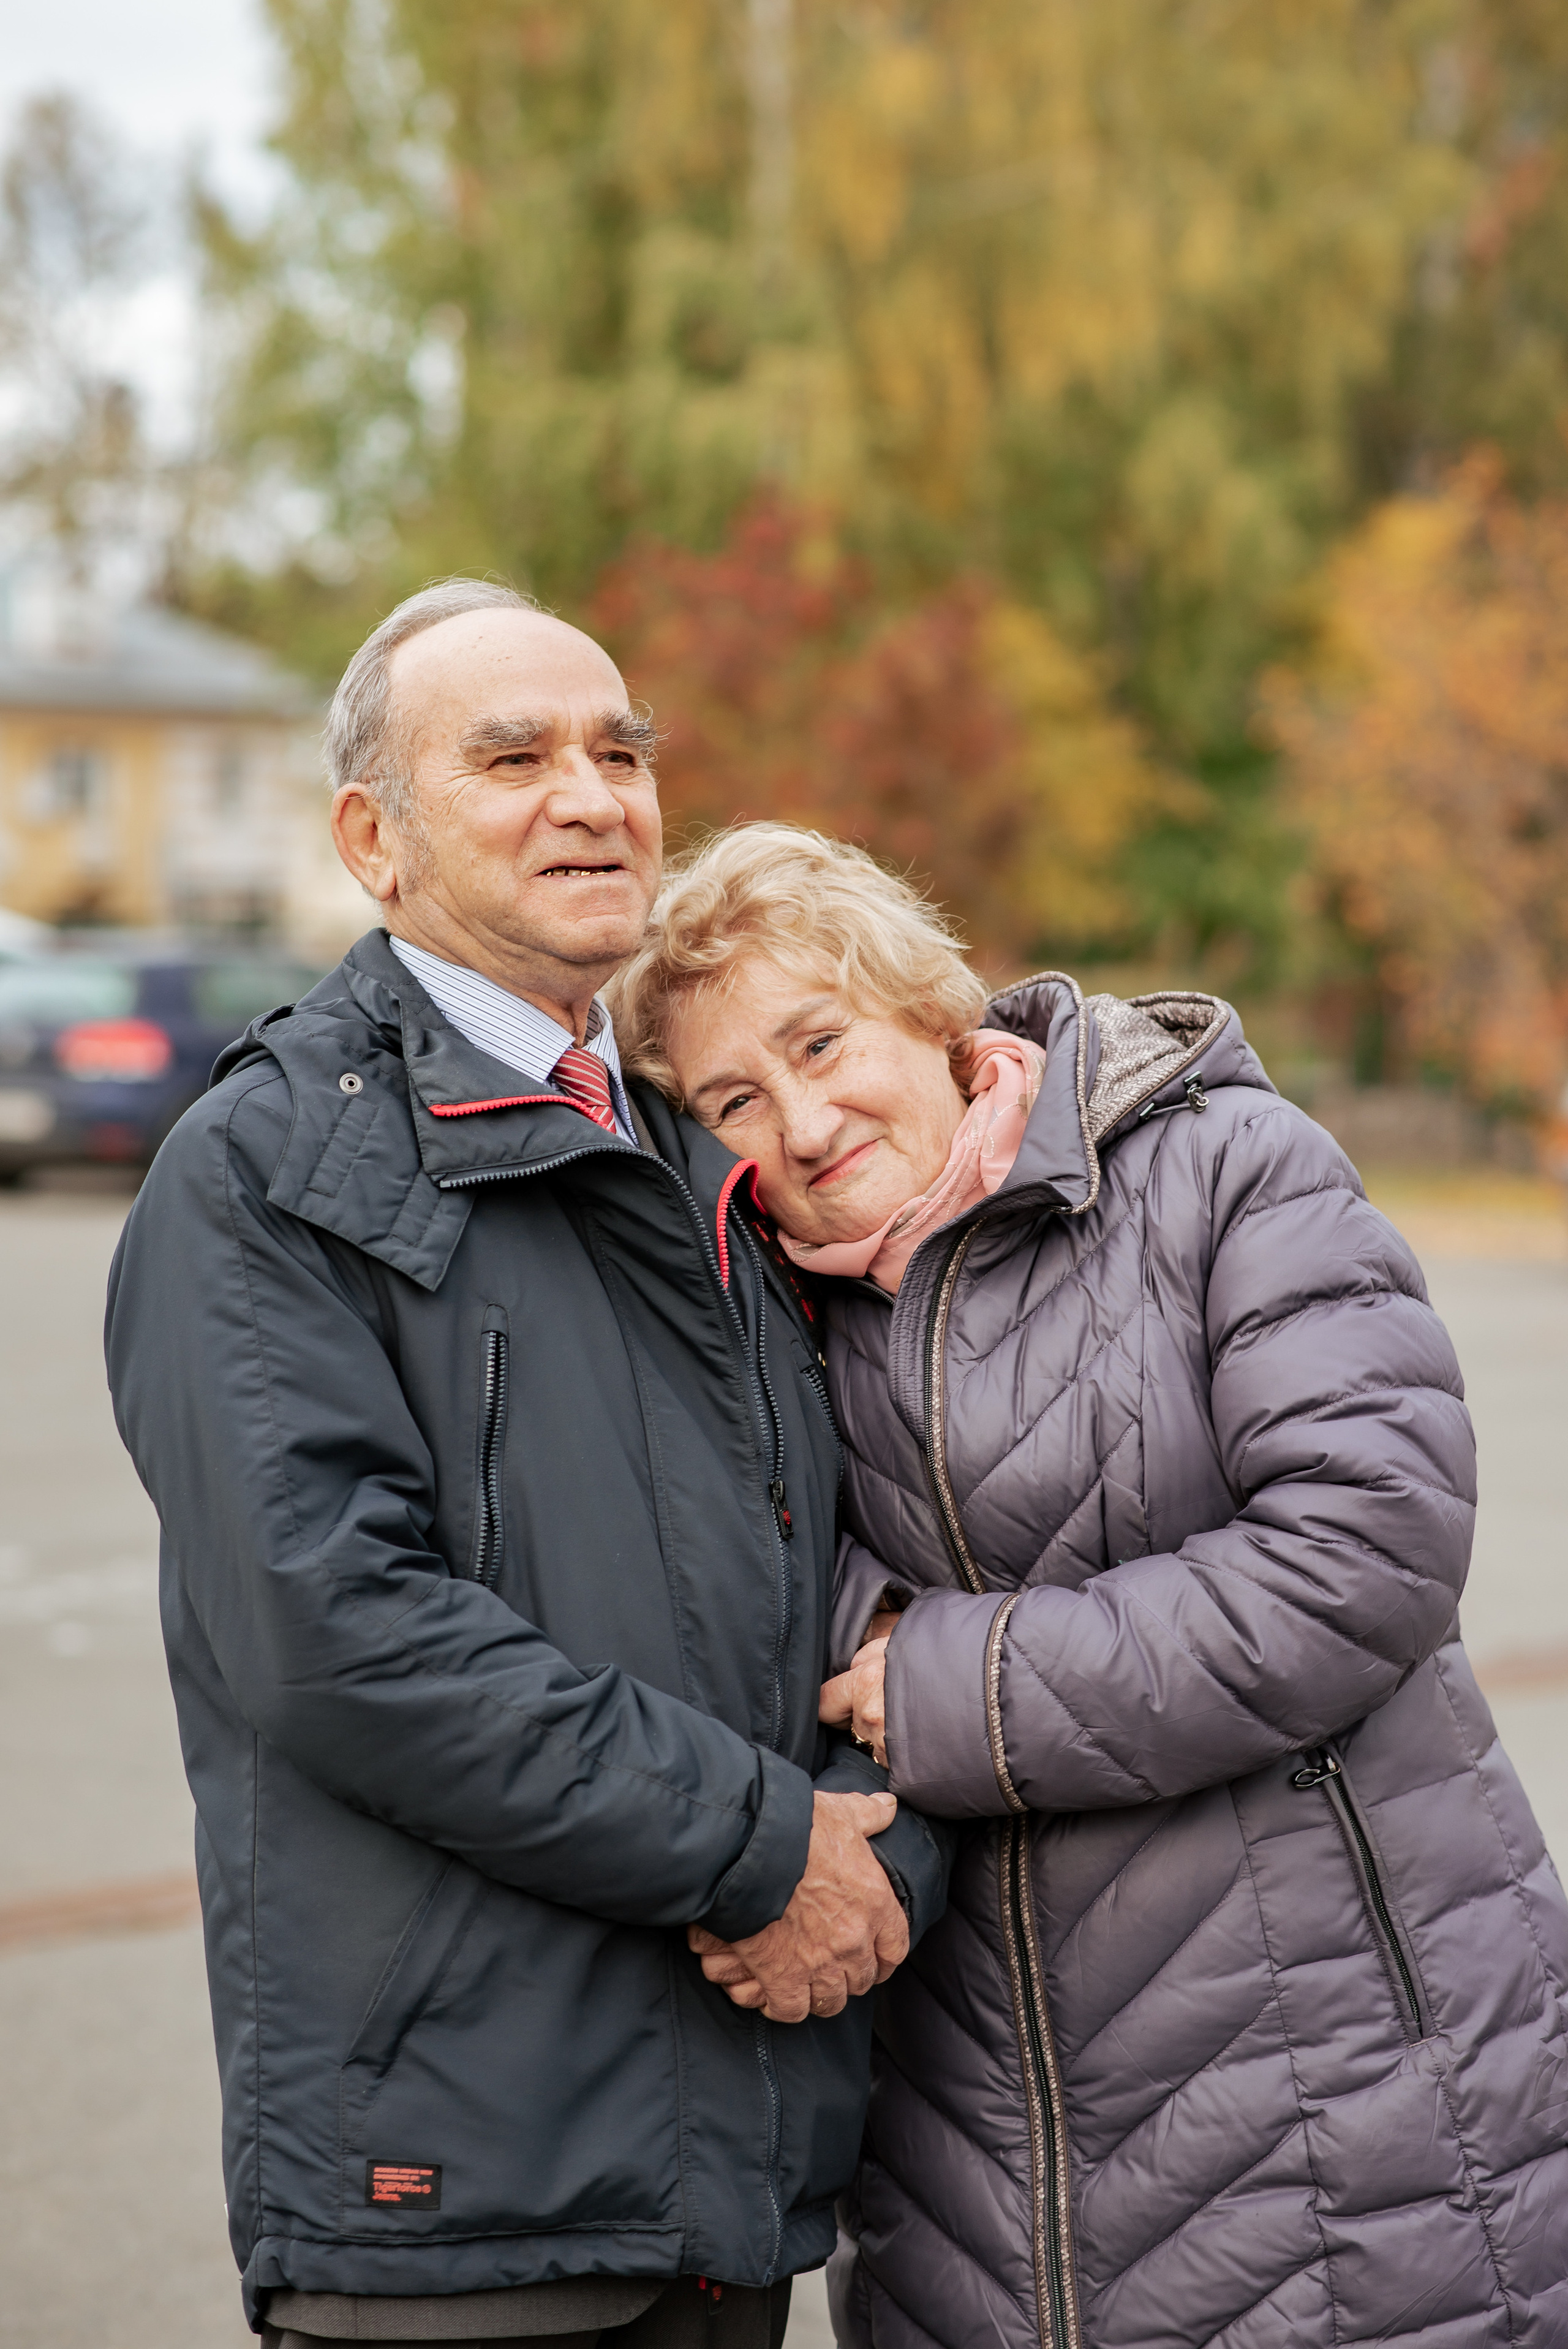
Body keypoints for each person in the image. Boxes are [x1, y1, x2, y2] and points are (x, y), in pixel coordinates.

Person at [105, 586, 949, 2349]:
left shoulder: (695, 1144)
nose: (592, 792)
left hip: (732, 2174)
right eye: (513, 756)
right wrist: (763, 1853)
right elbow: (341, 1631)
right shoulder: (263, 1172)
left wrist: (873, 1872)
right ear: (374, 841)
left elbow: (861, 1584)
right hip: (459, 2205)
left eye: (619, 749)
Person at [608, 820, 1568, 2349]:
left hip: (1333, 2100)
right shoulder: (755, 1319)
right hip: (972, 2162)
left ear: (930, 1012)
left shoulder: (1213, 1168)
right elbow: (737, 1584)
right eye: (733, 1098)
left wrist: (944, 1682)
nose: (796, 1119)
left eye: (818, 1039)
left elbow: (1358, 1550)